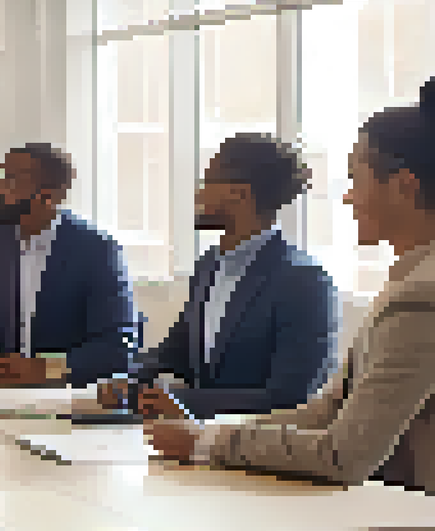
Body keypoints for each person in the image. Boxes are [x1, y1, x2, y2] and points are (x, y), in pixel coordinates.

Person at [147, 76, 435, 494]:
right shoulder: (408, 282)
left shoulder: (418, 296)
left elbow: (344, 454)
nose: (348, 198)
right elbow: (325, 412)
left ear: (404, 186)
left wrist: (205, 440)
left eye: (356, 178)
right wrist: (203, 431)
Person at [100, 134, 338, 419]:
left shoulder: (304, 281)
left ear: (239, 194)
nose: (198, 195)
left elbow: (291, 396)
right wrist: (129, 379)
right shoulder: (209, 265)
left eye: (207, 182)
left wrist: (178, 399)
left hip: (258, 447)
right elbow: (180, 350)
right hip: (195, 442)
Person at [0, 143, 138, 387]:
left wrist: (48, 368)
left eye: (11, 180)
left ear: (51, 194)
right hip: (3, 393)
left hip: (70, 396)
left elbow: (118, 346)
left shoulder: (98, 249)